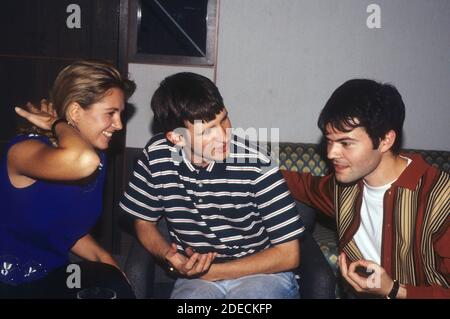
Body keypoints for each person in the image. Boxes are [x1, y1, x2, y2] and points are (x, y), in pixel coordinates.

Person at [119, 72, 305, 299]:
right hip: (197, 278)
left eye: (223, 119)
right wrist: (171, 257)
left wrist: (213, 271)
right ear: (177, 138)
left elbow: (289, 255)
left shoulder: (257, 165)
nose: (223, 135)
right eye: (207, 131)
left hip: (263, 273)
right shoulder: (157, 157)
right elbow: (144, 222)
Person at [282, 79, 449, 299]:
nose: (331, 153)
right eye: (330, 141)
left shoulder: (439, 198)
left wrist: (395, 290)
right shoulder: (345, 187)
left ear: (385, 140)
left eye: (346, 143)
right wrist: (250, 167)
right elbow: (304, 185)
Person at [0, 61, 136, 298]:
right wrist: (56, 123)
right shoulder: (24, 151)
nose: (119, 124)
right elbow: (82, 160)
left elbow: (64, 226)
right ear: (74, 113)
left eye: (120, 114)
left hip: (52, 278)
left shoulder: (97, 157)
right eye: (110, 113)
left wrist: (104, 260)